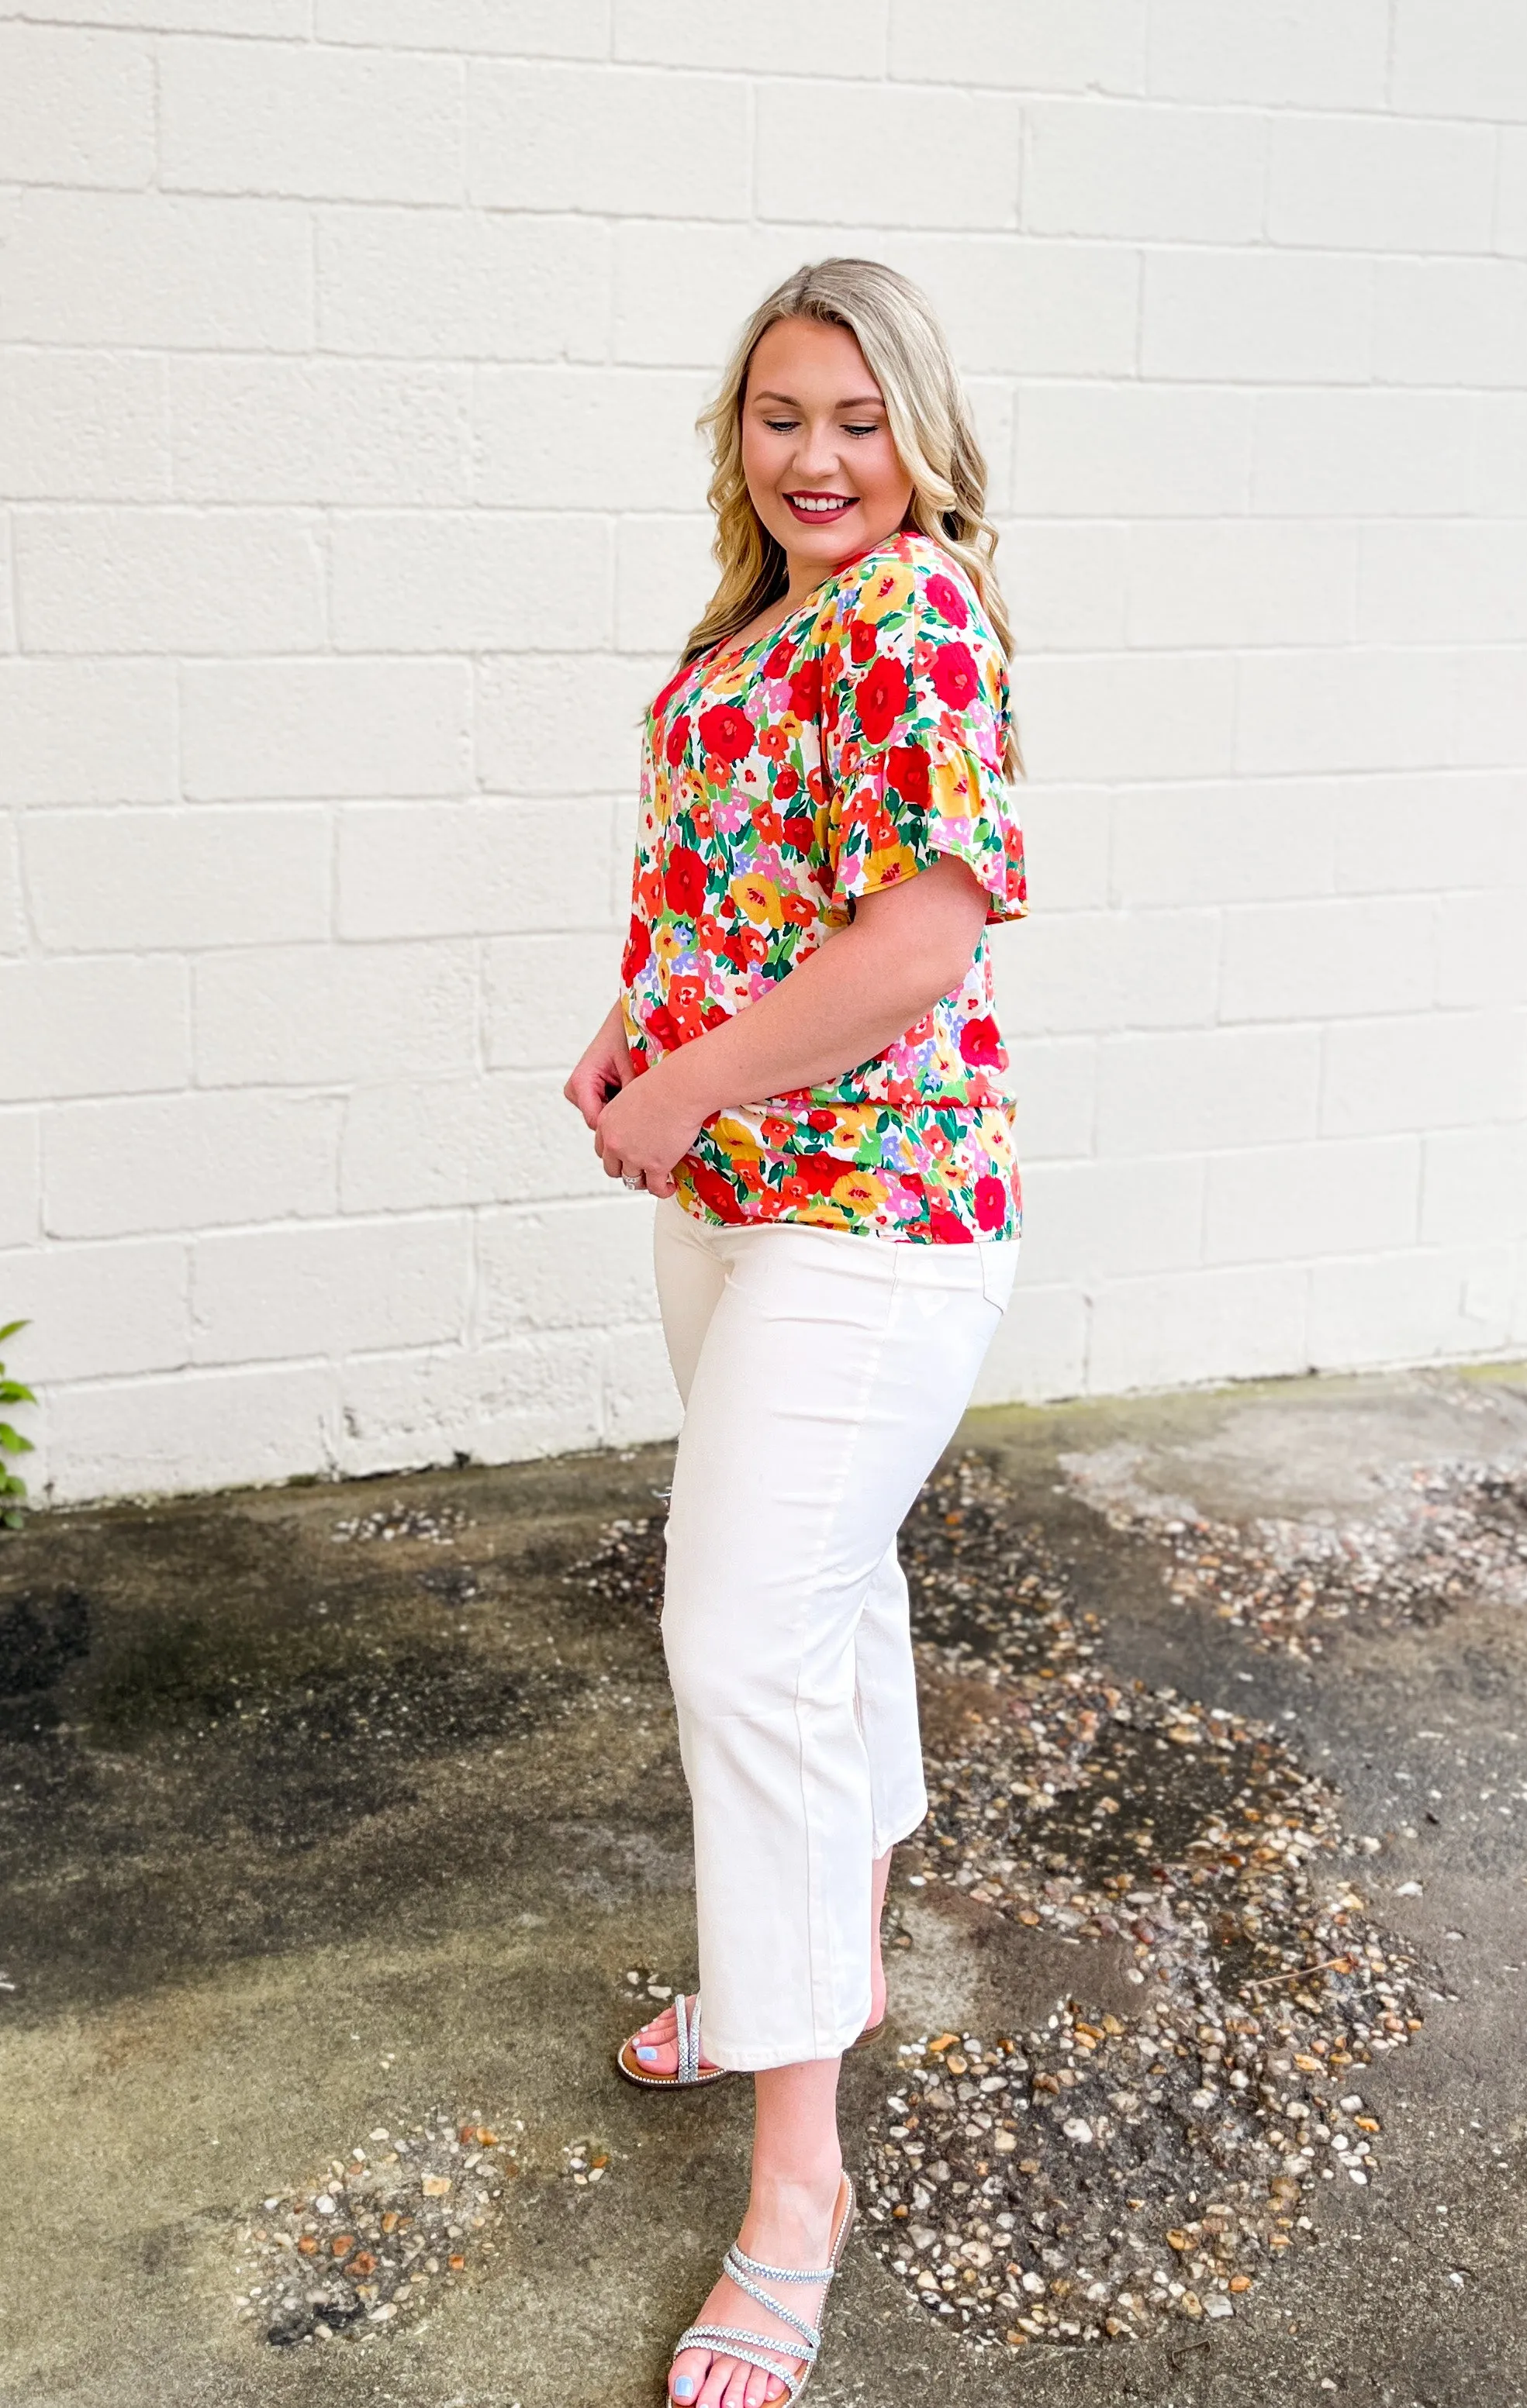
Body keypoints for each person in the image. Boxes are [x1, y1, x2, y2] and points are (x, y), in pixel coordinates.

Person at [564, 257, 1028, 2408]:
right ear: (730, 436)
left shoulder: (915, 609)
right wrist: (628, 1035)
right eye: (777, 416)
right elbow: (737, 885)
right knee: (815, 1620)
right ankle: (798, 1966)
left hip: (874, 1210)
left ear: (918, 431)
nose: (817, 457)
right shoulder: (753, 621)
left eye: (855, 416)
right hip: (741, 1198)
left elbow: (919, 942)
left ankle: (795, 2191)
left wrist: (684, 1085)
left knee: (742, 1645)